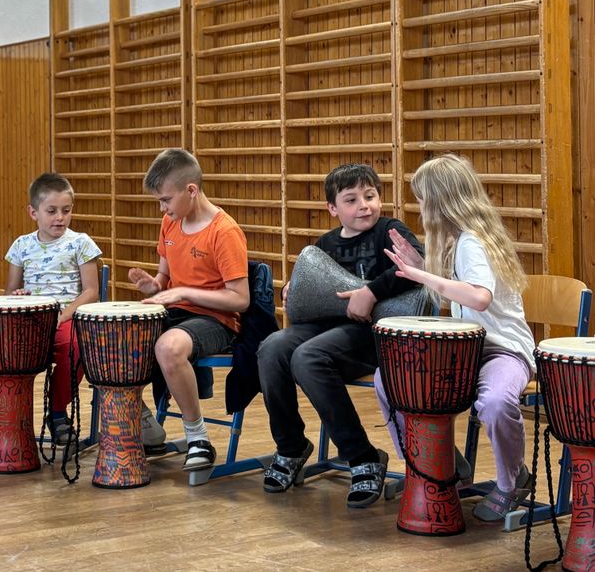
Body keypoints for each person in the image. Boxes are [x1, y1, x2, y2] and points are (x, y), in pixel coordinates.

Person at [375, 153, 535, 522]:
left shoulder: (472, 242)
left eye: (421, 198)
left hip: (504, 351)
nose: (419, 205)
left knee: (495, 402)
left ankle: (514, 482)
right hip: (469, 350)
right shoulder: (458, 240)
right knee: (392, 380)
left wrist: (422, 276)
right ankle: (442, 467)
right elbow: (464, 296)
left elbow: (479, 296)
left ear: (438, 202)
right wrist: (423, 266)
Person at [256, 163, 423, 506]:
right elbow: (310, 279)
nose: (364, 205)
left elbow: (416, 267)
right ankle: (291, 446)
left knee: (308, 357)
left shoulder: (391, 231)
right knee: (271, 347)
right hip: (329, 330)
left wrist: (372, 292)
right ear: (333, 209)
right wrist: (292, 287)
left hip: (375, 334)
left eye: (371, 195)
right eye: (352, 199)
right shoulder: (326, 242)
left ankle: (362, 456)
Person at [128, 148, 249, 471]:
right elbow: (164, 279)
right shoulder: (170, 223)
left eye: (166, 200)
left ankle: (197, 437)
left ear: (191, 190)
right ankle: (142, 421)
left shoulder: (224, 232)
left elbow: (240, 299)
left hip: (214, 319)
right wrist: (152, 286)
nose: (162, 208)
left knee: (168, 347)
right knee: (113, 340)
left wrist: (181, 291)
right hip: (177, 313)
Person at [0, 172, 101, 444]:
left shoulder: (80, 243)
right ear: (33, 212)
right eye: (51, 211)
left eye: (66, 211)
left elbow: (91, 292)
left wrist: (64, 315)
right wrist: (17, 296)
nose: (59, 217)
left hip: (64, 320)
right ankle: (14, 407)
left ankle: (57, 412)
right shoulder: (21, 246)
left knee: (75, 348)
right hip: (27, 323)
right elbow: (8, 294)